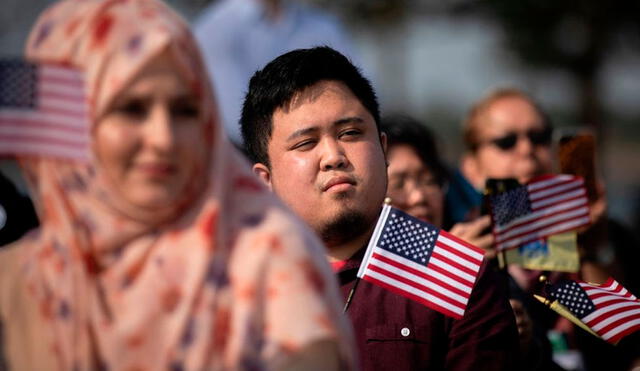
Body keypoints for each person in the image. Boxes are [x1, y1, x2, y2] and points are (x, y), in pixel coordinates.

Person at [0, 1, 355, 370]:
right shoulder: (17, 280)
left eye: (185, 110)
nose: (163, 139)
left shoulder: (267, 262)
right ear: (70, 123)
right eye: (131, 109)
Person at [240, 46, 520, 370]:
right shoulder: (229, 286)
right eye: (306, 143)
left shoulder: (455, 275)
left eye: (351, 133)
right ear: (264, 181)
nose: (333, 156)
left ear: (383, 149)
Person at [193, 0, 355, 145]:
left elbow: (356, 96)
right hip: (252, 156)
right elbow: (236, 122)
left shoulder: (322, 25)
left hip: (327, 139)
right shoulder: (215, 29)